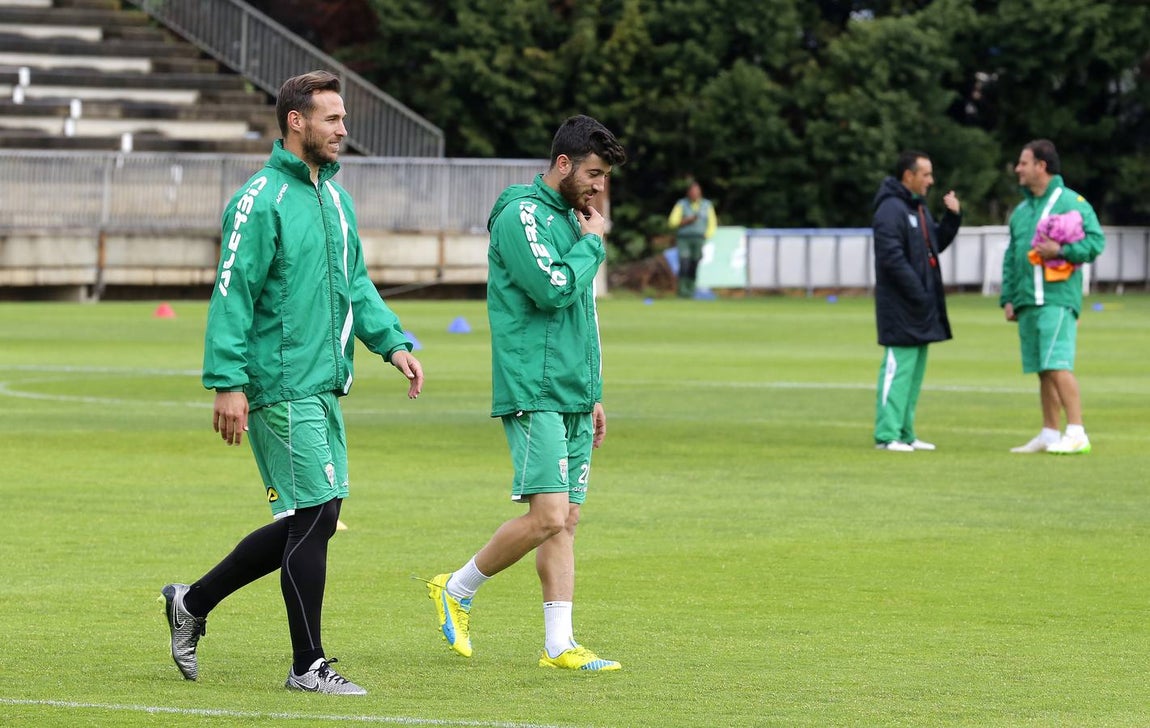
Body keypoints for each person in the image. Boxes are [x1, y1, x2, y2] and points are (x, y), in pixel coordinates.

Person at [160, 70, 424, 695]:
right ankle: (309, 664)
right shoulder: (259, 199)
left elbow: (355, 284)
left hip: (323, 382)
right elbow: (233, 293)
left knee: (318, 516)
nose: (343, 129)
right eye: (332, 118)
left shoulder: (335, 198)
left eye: (343, 117)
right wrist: (228, 383)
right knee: (316, 512)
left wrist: (392, 343)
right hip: (276, 386)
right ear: (296, 122)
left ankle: (192, 601)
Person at [424, 115, 626, 671]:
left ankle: (558, 644)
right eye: (592, 172)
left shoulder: (571, 217)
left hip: (573, 392)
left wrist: (595, 392)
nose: (599, 186)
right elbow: (553, 288)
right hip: (534, 387)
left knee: (567, 520)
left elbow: (582, 316)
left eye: (604, 176)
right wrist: (592, 247)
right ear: (562, 164)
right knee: (547, 517)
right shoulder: (522, 215)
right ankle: (456, 588)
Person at [1001, 139, 1105, 455]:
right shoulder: (1020, 211)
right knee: (1043, 368)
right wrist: (1008, 296)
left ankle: (1077, 432)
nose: (1018, 169)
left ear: (1041, 166)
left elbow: (1096, 243)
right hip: (1028, 300)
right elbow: (1011, 256)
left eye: (1023, 162)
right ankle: (1049, 432)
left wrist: (1061, 250)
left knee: (1057, 363)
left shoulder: (1072, 201)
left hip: (1057, 297)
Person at [871, 150, 962, 452]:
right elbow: (891, 258)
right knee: (898, 368)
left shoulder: (917, 209)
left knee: (915, 372)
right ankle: (887, 435)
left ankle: (905, 432)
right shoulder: (890, 210)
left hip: (920, 305)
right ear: (908, 176)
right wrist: (917, 291)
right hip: (901, 306)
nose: (931, 181)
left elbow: (932, 245)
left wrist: (952, 218)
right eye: (925, 174)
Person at [667, 179, 717, 298]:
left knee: (694, 265)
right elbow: (672, 222)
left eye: (697, 191)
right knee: (684, 263)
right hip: (684, 238)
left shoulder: (706, 205)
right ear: (688, 193)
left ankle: (690, 291)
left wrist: (707, 235)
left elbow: (712, 223)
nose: (695, 193)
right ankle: (682, 292)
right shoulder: (681, 204)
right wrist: (686, 221)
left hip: (699, 239)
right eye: (693, 191)